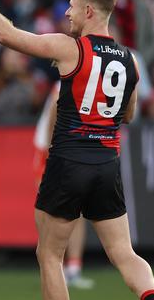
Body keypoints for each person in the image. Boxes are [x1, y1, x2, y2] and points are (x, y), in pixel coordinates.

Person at [0, 0, 154, 300]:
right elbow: (127, 115)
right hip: (106, 164)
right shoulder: (131, 59)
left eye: (72, 6)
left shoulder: (70, 48)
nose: (67, 13)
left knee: (49, 255)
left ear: (89, 11)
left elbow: (5, 34)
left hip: (68, 161)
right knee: (125, 253)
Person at [33, 81, 94, 290]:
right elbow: (54, 118)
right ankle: (54, 268)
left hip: (66, 153)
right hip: (53, 153)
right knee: (53, 213)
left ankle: (71, 269)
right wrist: (55, 155)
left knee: (76, 212)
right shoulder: (68, 81)